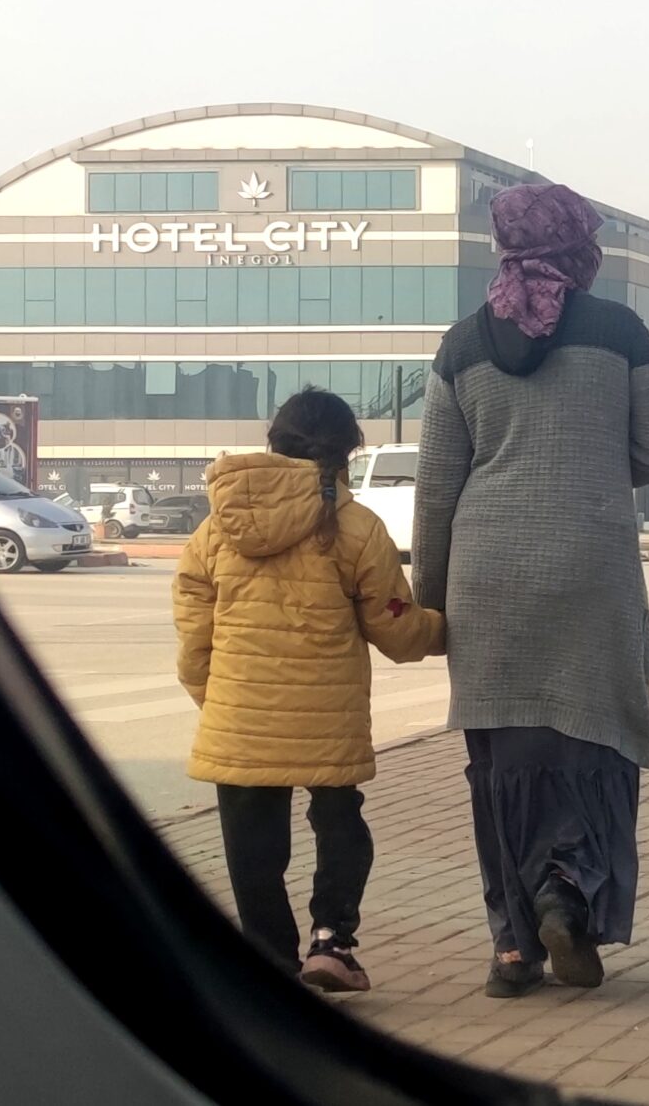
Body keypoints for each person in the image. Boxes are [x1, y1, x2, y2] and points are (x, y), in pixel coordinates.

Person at [414, 182, 649, 998]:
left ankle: (511, 947)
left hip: (486, 573)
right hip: (590, 567)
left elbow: (435, 487)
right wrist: (598, 468)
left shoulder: (461, 345)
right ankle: (567, 894)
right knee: (593, 746)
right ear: (580, 251)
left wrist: (432, 600)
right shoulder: (619, 329)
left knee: (499, 761)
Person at [174, 387, 444, 992]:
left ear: (274, 443)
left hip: (239, 716)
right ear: (349, 451)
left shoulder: (218, 526)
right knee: (339, 819)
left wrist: (212, 694)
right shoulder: (355, 526)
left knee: (252, 846)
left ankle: (269, 961)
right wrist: (444, 630)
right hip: (329, 713)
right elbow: (394, 623)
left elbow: (193, 618)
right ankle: (332, 942)